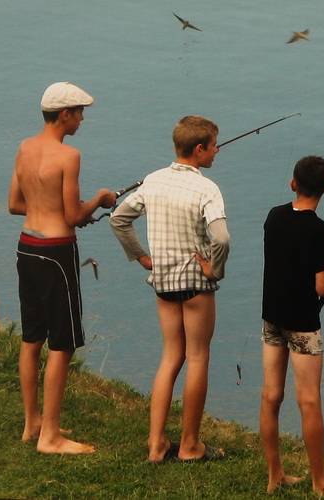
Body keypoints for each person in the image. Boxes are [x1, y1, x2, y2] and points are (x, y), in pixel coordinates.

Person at [109, 115, 230, 463]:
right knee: (197, 357)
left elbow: (119, 219)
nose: (217, 151)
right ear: (199, 149)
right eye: (214, 146)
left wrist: (141, 256)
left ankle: (156, 443)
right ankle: (190, 445)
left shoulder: (153, 180)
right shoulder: (207, 189)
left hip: (163, 283)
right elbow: (221, 237)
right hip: (195, 285)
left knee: (170, 357)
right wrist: (214, 269)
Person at [8, 81, 116, 454]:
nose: (82, 120)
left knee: (31, 338)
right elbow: (73, 216)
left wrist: (50, 208)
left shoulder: (24, 147)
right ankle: (51, 437)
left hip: (27, 247)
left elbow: (15, 204)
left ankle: (32, 423)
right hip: (56, 253)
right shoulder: (69, 156)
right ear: (65, 114)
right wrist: (99, 199)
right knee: (63, 343)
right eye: (80, 113)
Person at [260, 155, 324, 495]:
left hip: (272, 319)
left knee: (271, 395)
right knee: (309, 401)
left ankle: (275, 475)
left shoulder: (274, 216)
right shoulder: (319, 230)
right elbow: (321, 287)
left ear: (293, 183)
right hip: (303, 325)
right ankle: (320, 483)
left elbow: (291, 244)